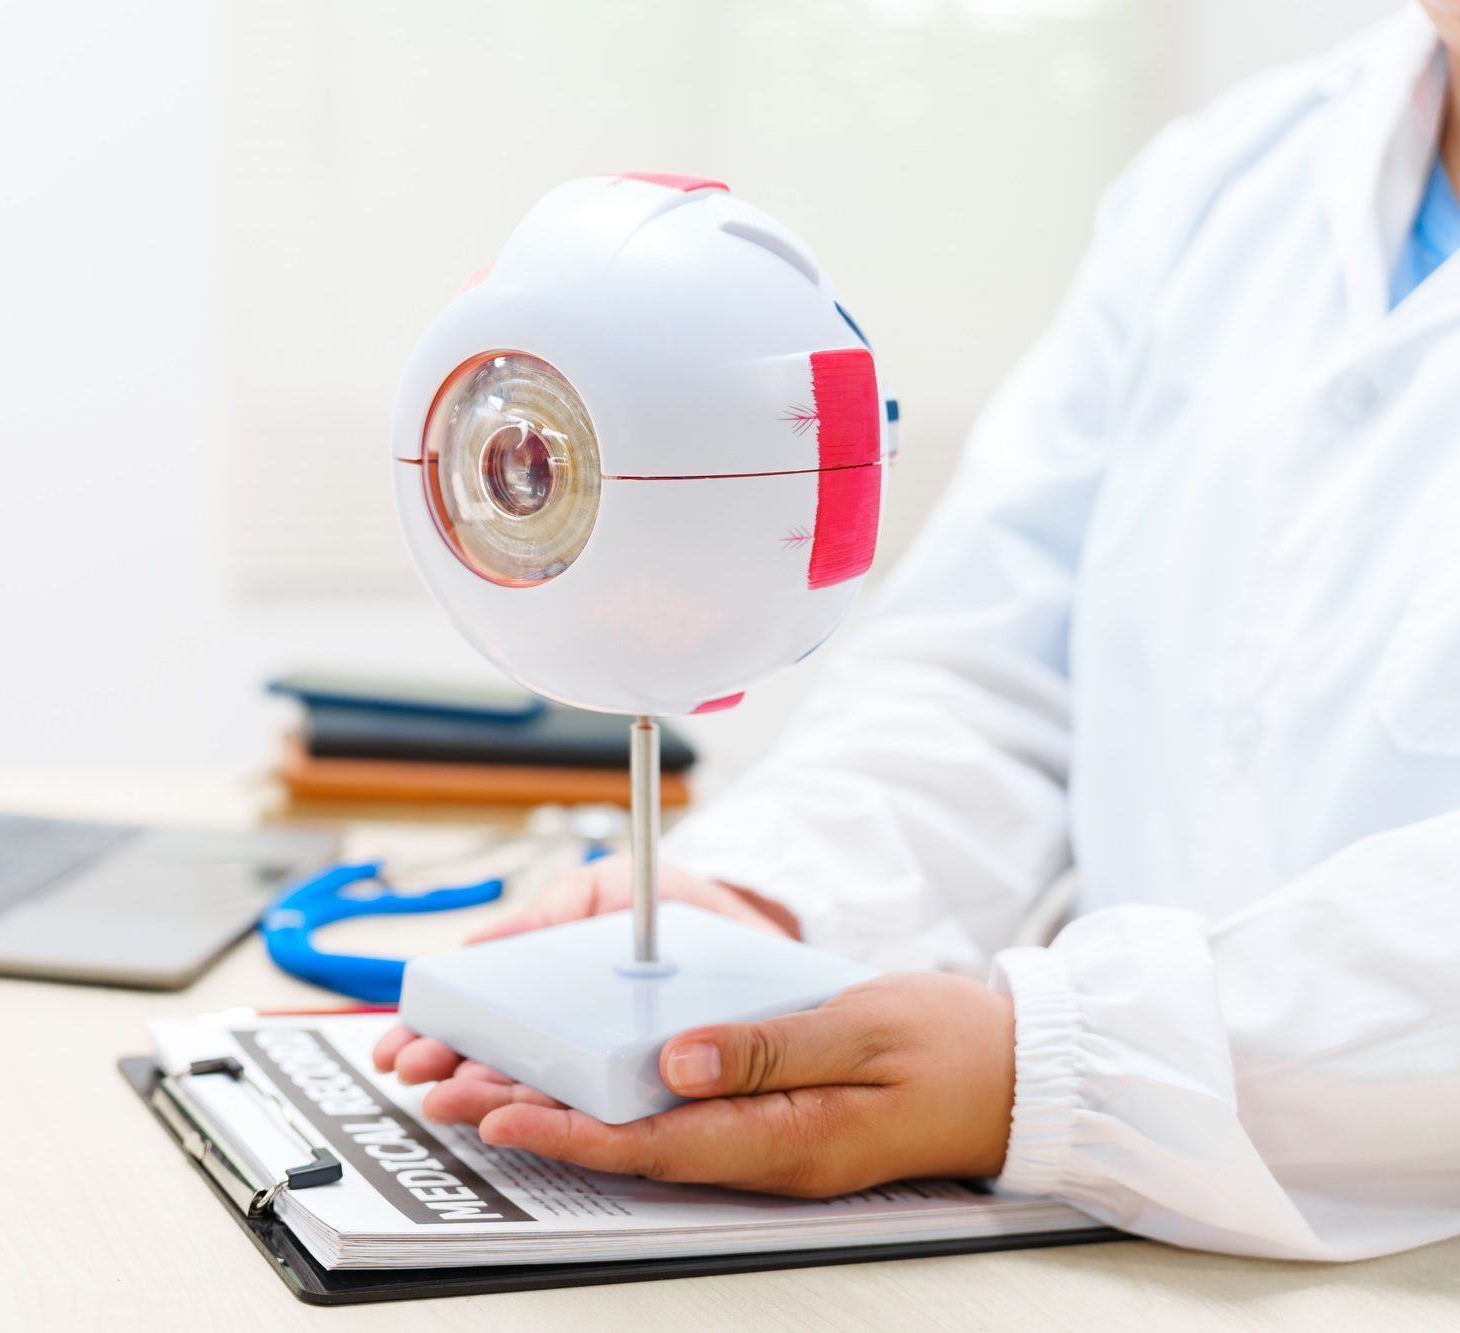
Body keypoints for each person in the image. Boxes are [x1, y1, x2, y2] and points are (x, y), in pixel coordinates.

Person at [375, 2, 1460, 1262]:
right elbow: (992, 664)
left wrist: (1041, 1065)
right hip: (1129, 1250)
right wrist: (769, 899)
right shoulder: (1227, 182)